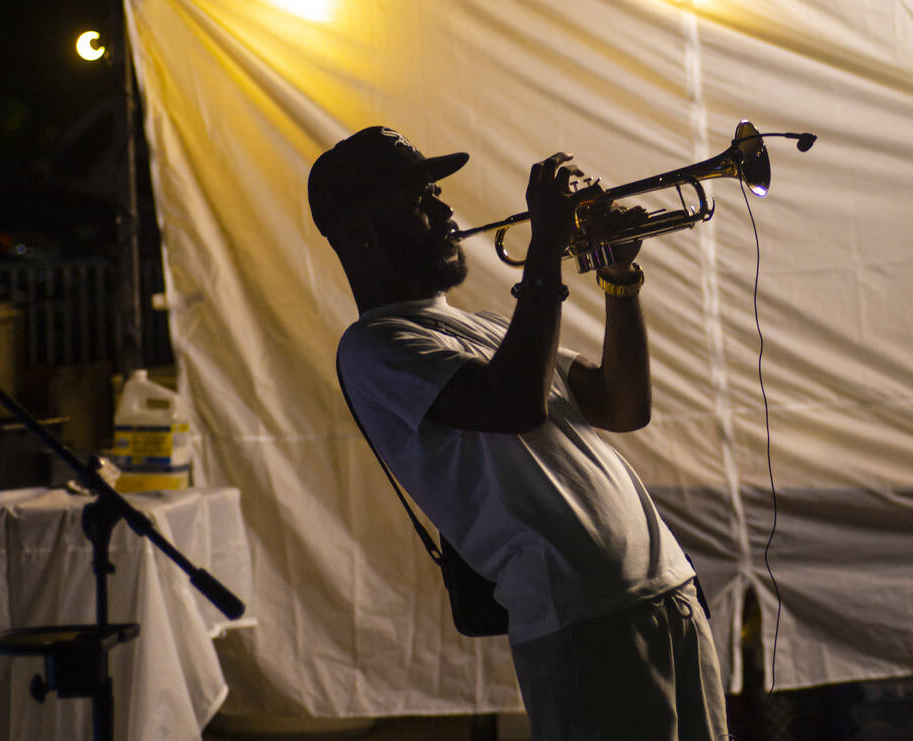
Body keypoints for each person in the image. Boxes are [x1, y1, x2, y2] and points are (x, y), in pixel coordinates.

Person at [309, 125, 729, 741]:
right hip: (581, 618)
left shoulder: (487, 326)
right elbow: (515, 404)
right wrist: (547, 247)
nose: (446, 209)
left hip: (666, 589)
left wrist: (618, 280)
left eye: (436, 193)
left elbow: (622, 404)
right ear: (362, 232)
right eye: (419, 201)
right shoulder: (374, 347)